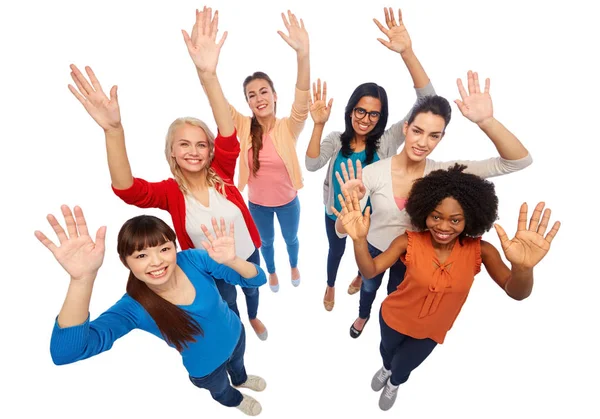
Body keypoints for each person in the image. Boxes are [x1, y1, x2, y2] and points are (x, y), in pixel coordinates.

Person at [67, 8, 268, 340]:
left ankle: (256, 315)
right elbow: (127, 189)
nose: (193, 151)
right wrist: (113, 130)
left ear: (210, 151)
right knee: (227, 301)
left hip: (247, 251)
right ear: (172, 151)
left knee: (252, 288)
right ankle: (237, 329)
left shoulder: (222, 173)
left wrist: (208, 75)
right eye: (184, 144)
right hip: (213, 267)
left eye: (201, 144)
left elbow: (229, 134)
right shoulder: (170, 192)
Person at [333, 164, 560, 410]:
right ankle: (385, 367)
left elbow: (516, 292)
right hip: (393, 317)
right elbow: (370, 271)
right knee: (387, 352)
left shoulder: (481, 250)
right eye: (436, 216)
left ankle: (395, 381)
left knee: (403, 366)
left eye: (455, 220)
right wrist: (358, 240)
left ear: (470, 218)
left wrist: (523, 268)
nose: (443, 226)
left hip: (431, 330)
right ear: (424, 212)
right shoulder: (407, 242)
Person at [336, 70, 534, 337]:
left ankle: (390, 320)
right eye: (417, 131)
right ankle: (363, 315)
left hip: (414, 257)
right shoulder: (373, 172)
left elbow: (517, 161)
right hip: (374, 246)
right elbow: (342, 229)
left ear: (441, 138)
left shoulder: (444, 174)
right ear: (406, 128)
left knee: (398, 292)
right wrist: (351, 205)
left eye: (433, 135)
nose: (422, 142)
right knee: (369, 286)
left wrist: (486, 121)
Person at [36, 205, 268, 416]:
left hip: (236, 335)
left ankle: (241, 379)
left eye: (164, 249)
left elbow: (256, 280)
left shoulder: (194, 259)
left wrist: (233, 260)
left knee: (239, 365)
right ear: (125, 261)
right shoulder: (133, 307)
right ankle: (234, 398)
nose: (156, 262)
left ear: (174, 248)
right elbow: (65, 353)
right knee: (222, 391)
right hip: (208, 368)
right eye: (141, 255)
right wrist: (82, 280)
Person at [305, 7, 435, 311]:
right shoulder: (336, 138)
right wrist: (318, 125)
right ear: (351, 111)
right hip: (336, 214)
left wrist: (408, 53)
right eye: (360, 111)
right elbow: (311, 165)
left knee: (368, 256)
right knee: (335, 252)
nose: (366, 118)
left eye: (374, 113)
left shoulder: (389, 140)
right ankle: (330, 285)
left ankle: (362, 276)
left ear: (382, 117)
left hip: (372, 218)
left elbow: (428, 102)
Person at [227, 10, 310, 292]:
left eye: (264, 91)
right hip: (258, 204)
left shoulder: (287, 128)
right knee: (266, 242)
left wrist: (303, 56)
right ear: (248, 102)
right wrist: (206, 72)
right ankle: (272, 270)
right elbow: (218, 104)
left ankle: (294, 265)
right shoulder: (242, 126)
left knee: (291, 239)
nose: (259, 98)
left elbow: (302, 101)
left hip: (288, 202)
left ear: (274, 95)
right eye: (252, 95)